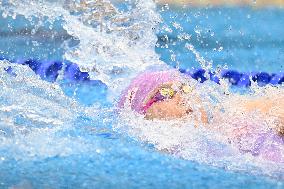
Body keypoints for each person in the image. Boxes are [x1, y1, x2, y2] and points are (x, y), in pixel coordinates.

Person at [118, 69, 284, 162]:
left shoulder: (232, 118)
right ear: (143, 113)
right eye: (165, 93)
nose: (183, 98)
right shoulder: (167, 154)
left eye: (185, 88)